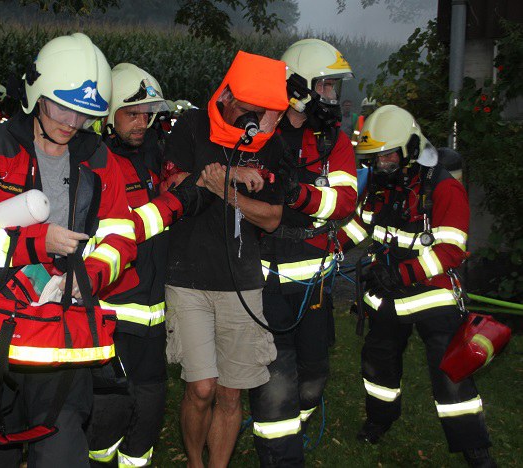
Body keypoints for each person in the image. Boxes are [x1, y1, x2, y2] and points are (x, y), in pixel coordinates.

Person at [0, 33, 138, 466]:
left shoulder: (98, 158)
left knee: (61, 452)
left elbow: (119, 235)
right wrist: (34, 243)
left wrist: (88, 275)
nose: (71, 123)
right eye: (61, 107)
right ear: (37, 96)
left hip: (60, 337)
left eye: (85, 115)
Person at [345, 105, 495, 467]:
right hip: (387, 297)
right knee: (379, 367)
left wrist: (403, 274)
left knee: (451, 376)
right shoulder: (381, 186)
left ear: (411, 149)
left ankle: (474, 447)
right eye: (375, 157)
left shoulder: (444, 188)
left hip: (434, 297)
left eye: (388, 155)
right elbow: (360, 226)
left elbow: (450, 250)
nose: (381, 164)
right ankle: (379, 421)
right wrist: (329, 247)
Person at [162, 50, 289, 467]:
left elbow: (271, 218)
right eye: (250, 110)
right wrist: (228, 174)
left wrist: (227, 193)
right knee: (201, 387)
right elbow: (175, 182)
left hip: (242, 279)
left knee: (231, 392)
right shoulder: (193, 124)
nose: (256, 119)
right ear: (228, 96)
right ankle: (195, 463)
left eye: (266, 112)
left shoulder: (274, 144)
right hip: (188, 276)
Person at [249, 38, 358, 467]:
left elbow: (345, 201)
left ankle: (296, 422)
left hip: (314, 286)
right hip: (265, 282)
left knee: (313, 376)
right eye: (327, 86)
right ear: (300, 85)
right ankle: (281, 454)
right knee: (275, 381)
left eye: (334, 87)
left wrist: (302, 196)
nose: (333, 95)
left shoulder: (333, 141)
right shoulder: (261, 131)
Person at [86, 63, 175, 467]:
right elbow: (124, 229)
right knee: (107, 416)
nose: (143, 123)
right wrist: (175, 203)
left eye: (147, 114)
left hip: (152, 317)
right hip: (111, 317)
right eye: (132, 113)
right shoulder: (94, 164)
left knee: (150, 412)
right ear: (107, 115)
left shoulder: (151, 156)